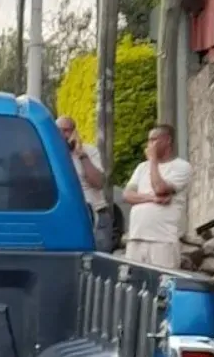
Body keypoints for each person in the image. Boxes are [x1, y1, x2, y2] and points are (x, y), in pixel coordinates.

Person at [123, 123, 191, 272]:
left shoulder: (181, 166)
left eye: (154, 140)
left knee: (162, 286)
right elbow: (127, 195)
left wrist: (153, 161)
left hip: (163, 239)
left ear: (167, 141)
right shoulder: (142, 167)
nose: (149, 145)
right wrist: (152, 199)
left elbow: (160, 188)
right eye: (148, 140)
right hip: (137, 237)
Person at [56, 116, 111, 252]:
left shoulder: (89, 151)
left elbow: (98, 182)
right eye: (58, 131)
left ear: (74, 132)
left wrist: (81, 155)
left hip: (95, 213)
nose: (62, 135)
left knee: (98, 260)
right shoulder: (53, 154)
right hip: (67, 214)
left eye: (66, 131)